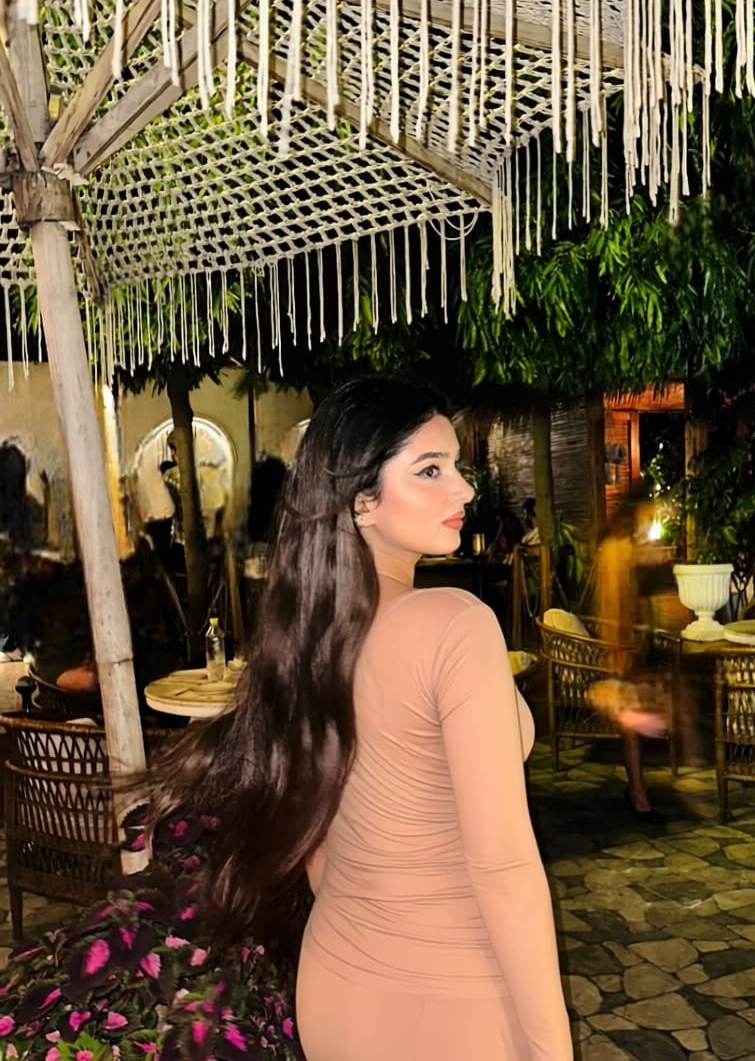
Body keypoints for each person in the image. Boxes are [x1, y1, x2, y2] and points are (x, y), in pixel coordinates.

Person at [151, 377, 572, 1061]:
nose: (464, 489)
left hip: (336, 985)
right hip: (451, 1004)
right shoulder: (454, 624)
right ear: (361, 500)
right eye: (430, 470)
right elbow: (504, 867)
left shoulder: (311, 635)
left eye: (455, 467)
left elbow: (314, 837)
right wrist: (553, 1049)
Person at [590, 490, 668, 823]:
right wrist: (620, 650)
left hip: (634, 648)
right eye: (645, 516)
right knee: (632, 721)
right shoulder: (615, 551)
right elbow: (612, 606)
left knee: (637, 720)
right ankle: (637, 793)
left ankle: (638, 790)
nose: (648, 523)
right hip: (621, 651)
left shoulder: (627, 549)